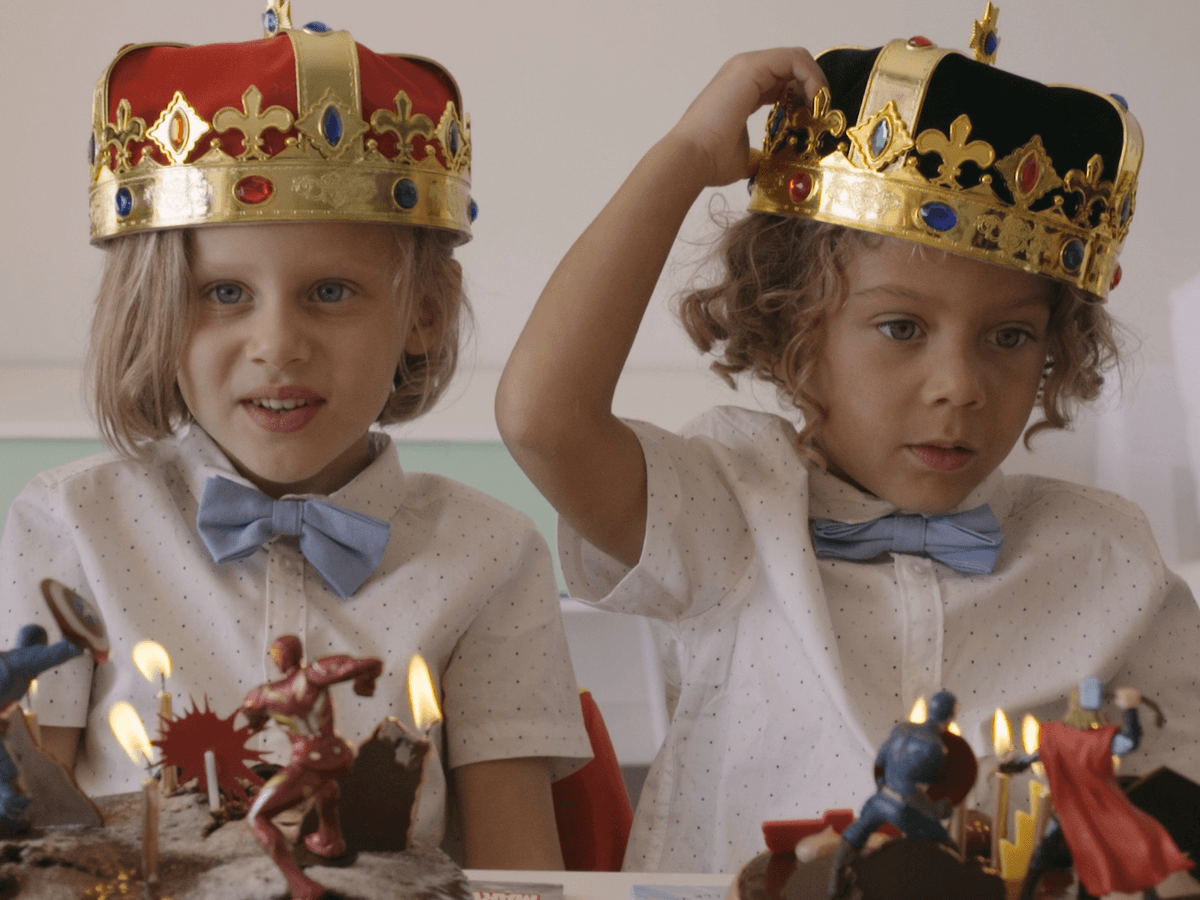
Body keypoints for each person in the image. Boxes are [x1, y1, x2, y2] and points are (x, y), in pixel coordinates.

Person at [496, 8, 1200, 873]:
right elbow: (543, 420)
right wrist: (683, 157)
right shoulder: (728, 503)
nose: (961, 384)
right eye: (902, 327)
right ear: (796, 330)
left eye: (1010, 337)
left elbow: (1176, 819)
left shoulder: (1108, 556)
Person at [0, 0, 589, 869]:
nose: (277, 345)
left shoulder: (492, 555)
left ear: (422, 311)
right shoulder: (69, 525)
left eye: (331, 292)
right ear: (154, 313)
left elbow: (518, 875)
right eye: (224, 293)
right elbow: (26, 843)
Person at [1001, 678, 1193, 900]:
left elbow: (1128, 742)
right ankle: (1025, 895)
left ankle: (1149, 895)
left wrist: (1131, 709)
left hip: (1100, 809)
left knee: (1130, 850)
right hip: (1074, 809)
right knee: (1051, 853)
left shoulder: (1089, 739)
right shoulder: (1062, 736)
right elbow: (1030, 759)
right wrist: (1130, 709)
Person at [241, 635, 383, 900]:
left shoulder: (262, 694)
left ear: (277, 659)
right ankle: (330, 840)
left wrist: (258, 722)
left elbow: (251, 717)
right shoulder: (315, 674)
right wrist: (366, 682)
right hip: (337, 754)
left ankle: (300, 884)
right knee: (324, 784)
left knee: (257, 817)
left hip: (307, 761)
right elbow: (369, 664)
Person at [0, 625, 85, 828]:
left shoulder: (14, 659)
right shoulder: (20, 661)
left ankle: (12, 806)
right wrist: (72, 644)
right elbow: (51, 655)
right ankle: (13, 805)